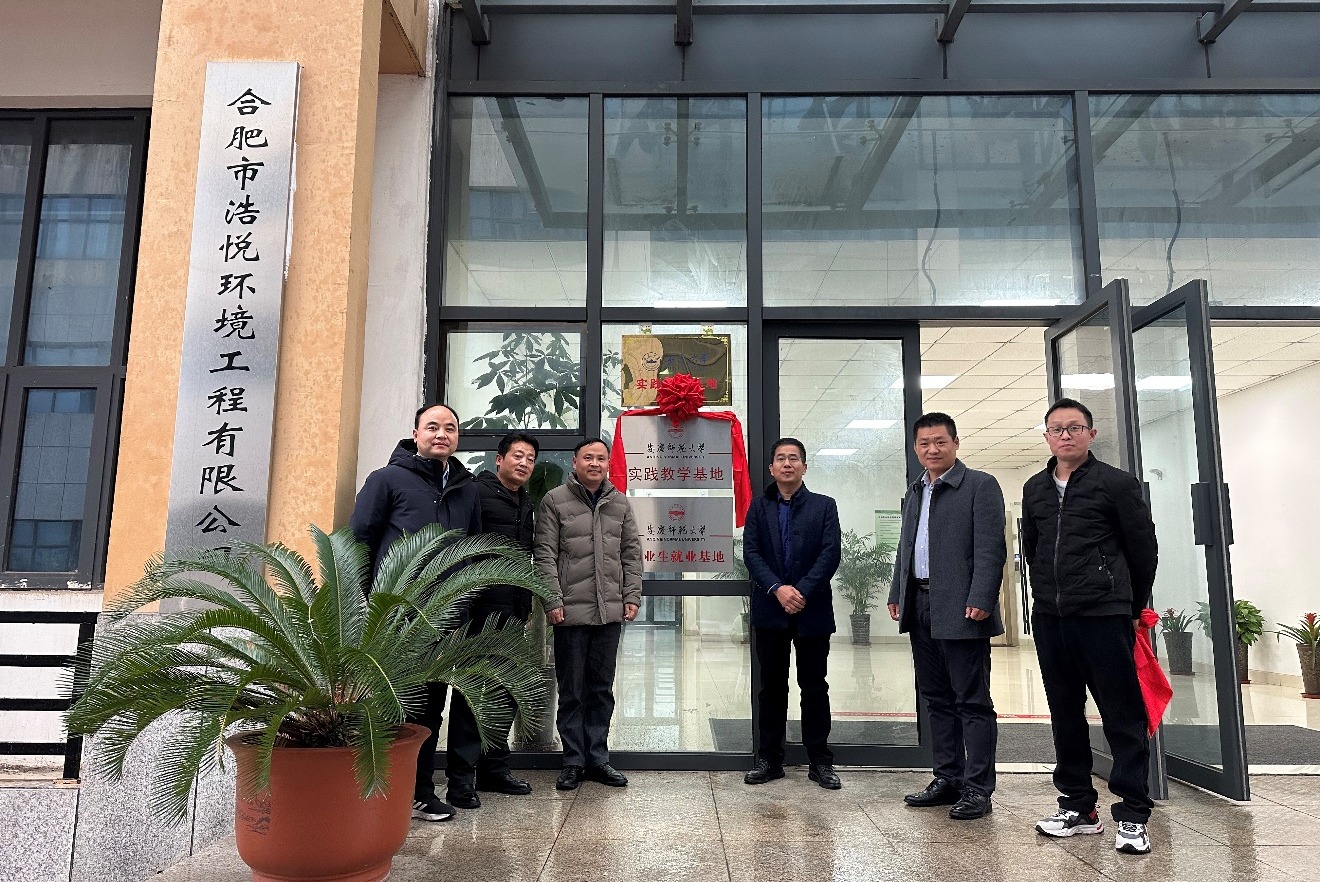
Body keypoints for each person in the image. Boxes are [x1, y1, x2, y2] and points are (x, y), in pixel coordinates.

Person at [1022, 398, 1158, 855]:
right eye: (1057, 429)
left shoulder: (1116, 484)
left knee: (1121, 716)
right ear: (1047, 437)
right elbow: (1033, 548)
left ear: (1091, 434)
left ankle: (1134, 814)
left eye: (1075, 427)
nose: (1066, 435)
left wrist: (1130, 605)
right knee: (1065, 714)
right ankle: (1078, 806)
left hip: (1103, 615)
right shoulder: (1035, 488)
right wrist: (1045, 596)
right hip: (1051, 618)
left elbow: (1143, 550)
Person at [349, 403, 482, 823]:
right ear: (416, 433)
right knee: (398, 704)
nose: (441, 434)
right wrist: (368, 602)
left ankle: (419, 791)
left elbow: (473, 548)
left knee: (431, 707)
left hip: (447, 615)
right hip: (398, 615)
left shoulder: (467, 488)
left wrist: (465, 601)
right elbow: (359, 539)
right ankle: (387, 792)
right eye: (433, 427)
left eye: (450, 428)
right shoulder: (386, 479)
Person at [887, 413, 1006, 820]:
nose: (932, 449)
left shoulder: (980, 485)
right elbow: (906, 548)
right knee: (936, 698)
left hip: (962, 606)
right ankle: (947, 777)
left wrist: (982, 597)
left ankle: (978, 788)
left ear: (956, 443)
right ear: (916, 448)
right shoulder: (916, 489)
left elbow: (991, 549)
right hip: (920, 603)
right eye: (924, 443)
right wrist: (897, 592)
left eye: (940, 441)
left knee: (972, 701)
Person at [533, 438, 642, 791]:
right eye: (588, 458)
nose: (595, 463)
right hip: (569, 613)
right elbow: (545, 555)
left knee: (601, 689)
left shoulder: (619, 503)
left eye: (601, 458)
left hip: (609, 612)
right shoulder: (554, 501)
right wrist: (552, 600)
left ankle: (598, 759)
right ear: (575, 462)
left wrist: (631, 595)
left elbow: (631, 554)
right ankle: (572, 762)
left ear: (608, 464)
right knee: (572, 691)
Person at [444, 431, 541, 808]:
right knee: (473, 695)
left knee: (506, 691)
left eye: (530, 458)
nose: (524, 463)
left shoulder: (525, 502)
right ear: (499, 459)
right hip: (479, 611)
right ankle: (460, 780)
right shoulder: (475, 492)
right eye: (518, 455)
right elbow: (460, 548)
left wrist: (525, 607)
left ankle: (494, 769)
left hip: (513, 612)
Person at [741, 438, 842, 790]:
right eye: (781, 459)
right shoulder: (758, 507)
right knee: (771, 688)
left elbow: (830, 554)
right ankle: (770, 759)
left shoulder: (824, 506)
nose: (787, 464)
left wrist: (801, 591)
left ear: (804, 467)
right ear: (771, 468)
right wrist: (778, 589)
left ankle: (820, 761)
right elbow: (751, 553)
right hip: (771, 610)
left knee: (814, 687)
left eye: (794, 458)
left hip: (812, 611)